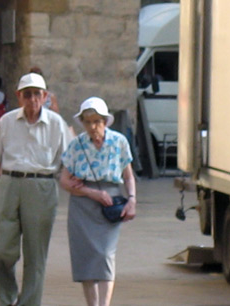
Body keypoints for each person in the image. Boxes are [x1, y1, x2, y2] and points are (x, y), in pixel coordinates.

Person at [0, 72, 72, 306]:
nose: (32, 100)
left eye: (37, 94)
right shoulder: (7, 121)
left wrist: (79, 187)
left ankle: (29, 302)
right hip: (8, 183)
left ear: (45, 96)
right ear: (19, 97)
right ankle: (8, 298)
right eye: (27, 95)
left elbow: (69, 162)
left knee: (36, 254)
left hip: (42, 186)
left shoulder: (56, 124)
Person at [60, 97, 137, 306]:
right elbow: (64, 180)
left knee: (105, 255)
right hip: (82, 204)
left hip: (110, 202)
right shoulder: (77, 145)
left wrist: (132, 200)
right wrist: (89, 192)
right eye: (88, 122)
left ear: (104, 121)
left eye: (97, 121)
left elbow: (128, 175)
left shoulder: (119, 141)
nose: (93, 127)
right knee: (85, 257)